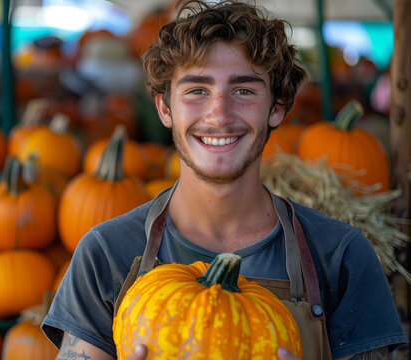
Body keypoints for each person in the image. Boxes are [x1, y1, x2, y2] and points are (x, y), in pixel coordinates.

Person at [41, 1, 408, 359]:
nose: (219, 115)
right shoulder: (106, 254)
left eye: (243, 91)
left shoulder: (340, 256)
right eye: (197, 90)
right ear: (165, 108)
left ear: (277, 107)